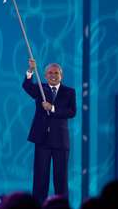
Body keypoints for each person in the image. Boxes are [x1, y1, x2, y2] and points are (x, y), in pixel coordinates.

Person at [22, 58, 76, 203]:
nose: (53, 75)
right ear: (45, 76)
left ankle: (61, 205)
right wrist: (31, 71)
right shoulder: (41, 88)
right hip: (42, 140)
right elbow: (27, 86)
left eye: (56, 73)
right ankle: (39, 205)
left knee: (61, 178)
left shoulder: (69, 92)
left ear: (61, 75)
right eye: (50, 73)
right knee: (40, 177)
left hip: (60, 141)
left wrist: (52, 108)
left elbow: (71, 112)